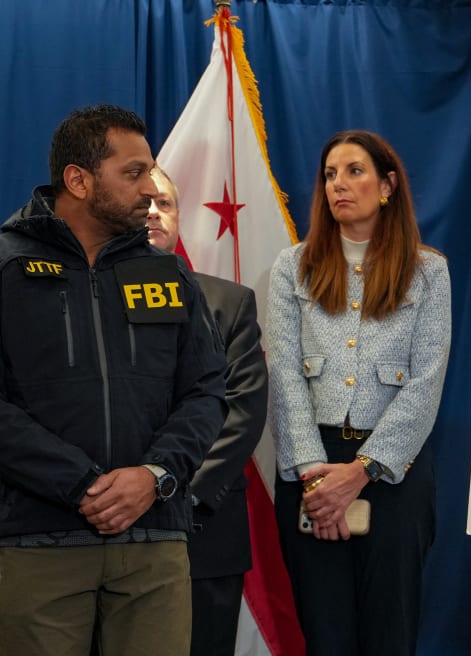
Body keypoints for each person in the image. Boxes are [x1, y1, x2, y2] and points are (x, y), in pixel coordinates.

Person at [0, 104, 226, 654]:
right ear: (78, 180)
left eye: (149, 170)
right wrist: (79, 484)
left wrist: (154, 475)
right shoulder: (7, 266)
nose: (151, 187)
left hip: (154, 539)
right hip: (37, 539)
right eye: (133, 173)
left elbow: (206, 391)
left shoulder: (168, 274)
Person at [268, 130, 451, 655]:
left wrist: (362, 471)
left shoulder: (427, 270)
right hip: (313, 471)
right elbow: (283, 374)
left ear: (387, 184)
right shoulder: (293, 265)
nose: (339, 185)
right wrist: (314, 479)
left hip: (393, 473)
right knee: (323, 634)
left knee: (389, 633)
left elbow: (426, 381)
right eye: (329, 174)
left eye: (354, 171)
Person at [146, 167, 269, 656]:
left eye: (166, 203)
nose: (154, 212)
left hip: (205, 529)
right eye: (143, 202)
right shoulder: (83, 299)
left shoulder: (229, 301)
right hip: (110, 532)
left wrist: (176, 495)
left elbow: (242, 411)